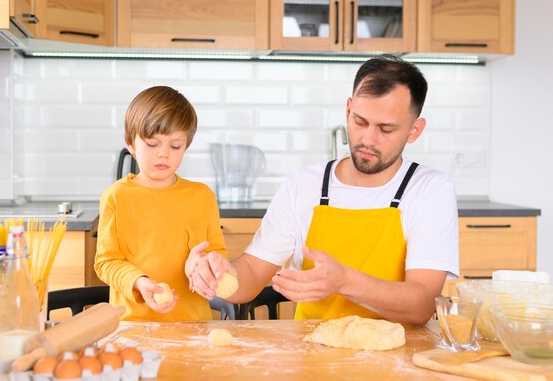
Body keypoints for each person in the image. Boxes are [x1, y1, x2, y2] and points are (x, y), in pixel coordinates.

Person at [186, 55, 459, 325]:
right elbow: (252, 273)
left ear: (414, 130)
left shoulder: (429, 190)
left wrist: (344, 281)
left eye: (386, 128)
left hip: (400, 358)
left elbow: (422, 305)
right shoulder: (304, 185)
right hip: (313, 356)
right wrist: (220, 275)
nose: (367, 139)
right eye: (360, 121)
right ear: (348, 109)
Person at [95, 85, 227, 321]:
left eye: (175, 145)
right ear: (131, 144)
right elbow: (107, 262)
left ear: (186, 145)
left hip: (192, 327)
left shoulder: (201, 196)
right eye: (152, 144)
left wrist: (203, 265)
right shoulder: (116, 197)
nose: (164, 154)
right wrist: (139, 282)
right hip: (133, 328)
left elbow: (216, 253)